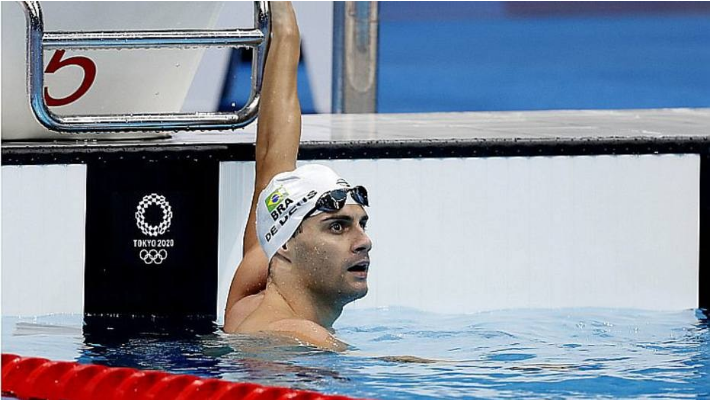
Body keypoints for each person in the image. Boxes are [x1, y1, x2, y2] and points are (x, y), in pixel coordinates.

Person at [223, 2, 372, 352]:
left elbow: (274, 157)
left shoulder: (247, 302)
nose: (364, 241)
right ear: (286, 244)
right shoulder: (306, 339)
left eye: (361, 223)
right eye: (337, 226)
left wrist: (287, 32)